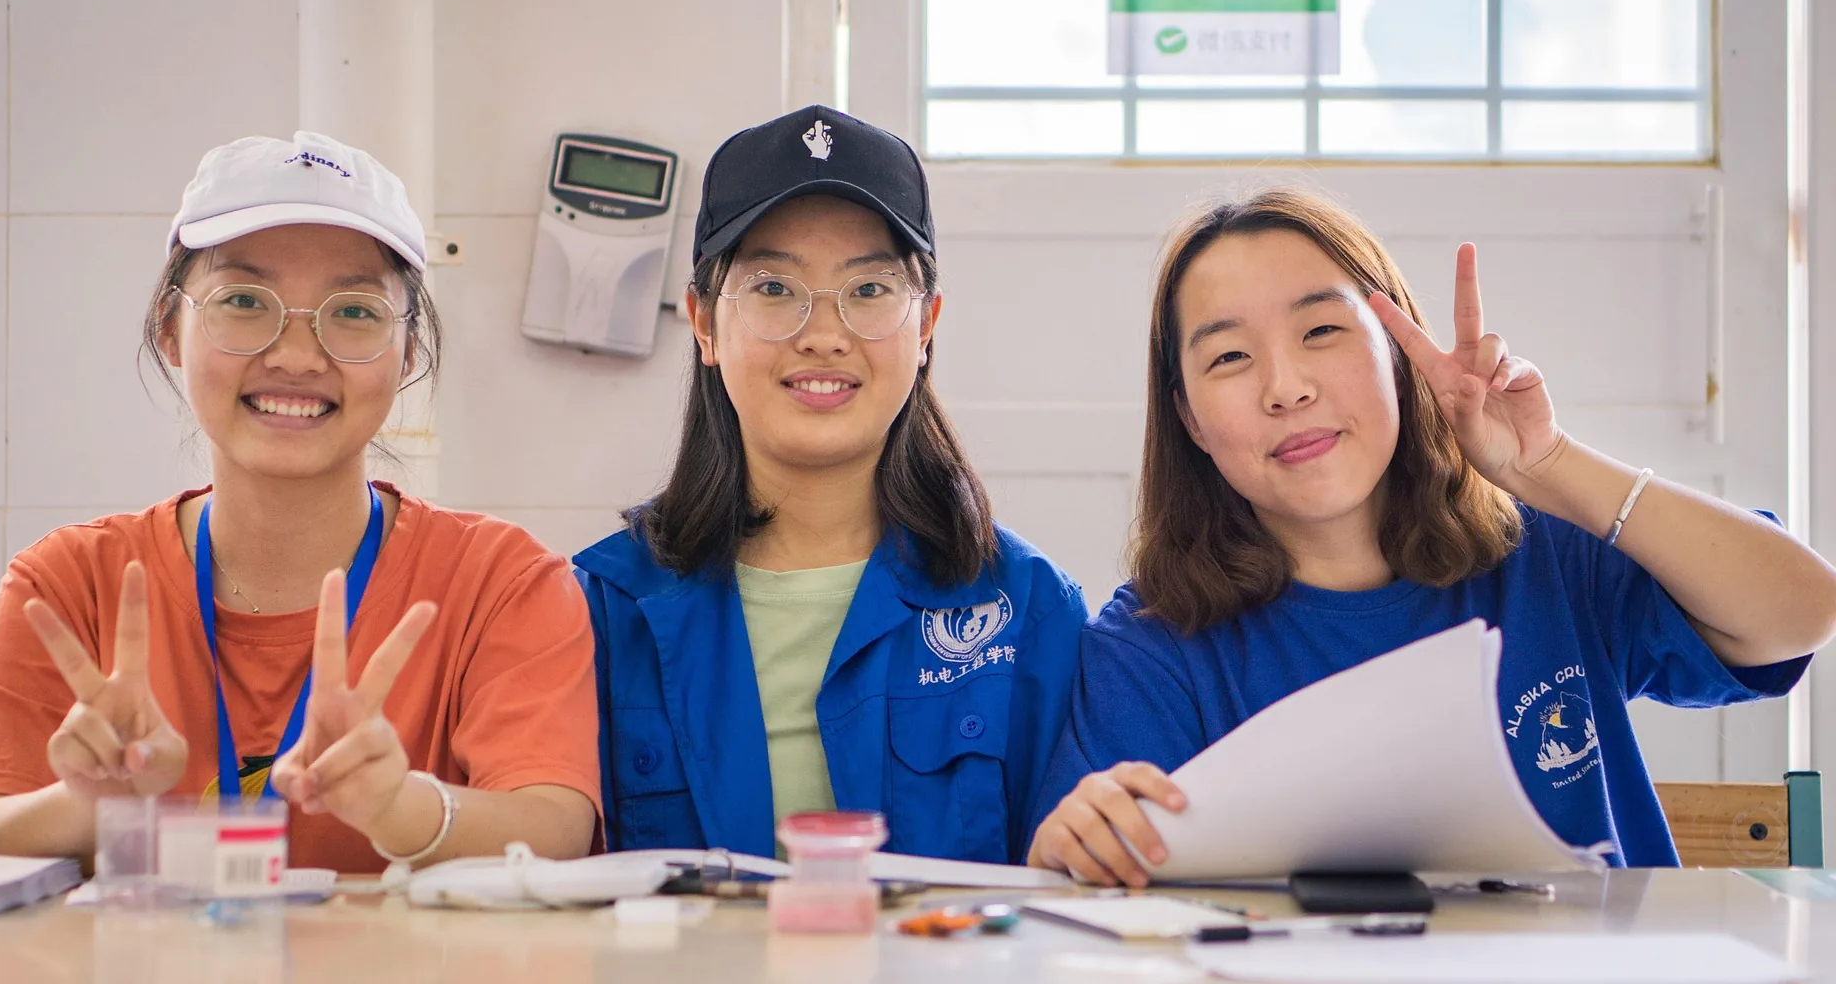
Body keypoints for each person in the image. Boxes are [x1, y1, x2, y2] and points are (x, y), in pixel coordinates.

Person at [1028, 187, 1836, 886]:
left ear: (1399, 354)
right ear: (1190, 421)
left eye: (1321, 333)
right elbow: (1095, 892)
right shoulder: (1152, 647)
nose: (1286, 389)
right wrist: (1075, 848)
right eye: (1231, 357)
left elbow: (1800, 611)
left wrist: (1549, 465)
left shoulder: (1541, 552)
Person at [0, 131, 601, 872]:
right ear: (171, 327)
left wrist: (400, 806)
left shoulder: (501, 582)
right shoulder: (68, 583)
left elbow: (554, 824)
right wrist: (90, 805)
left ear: (408, 351)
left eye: (354, 311)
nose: (296, 355)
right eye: (244, 302)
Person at [577, 106, 1087, 863]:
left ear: (927, 328)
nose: (823, 333)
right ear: (704, 324)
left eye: (870, 290)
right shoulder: (600, 607)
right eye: (775, 288)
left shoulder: (1027, 604)